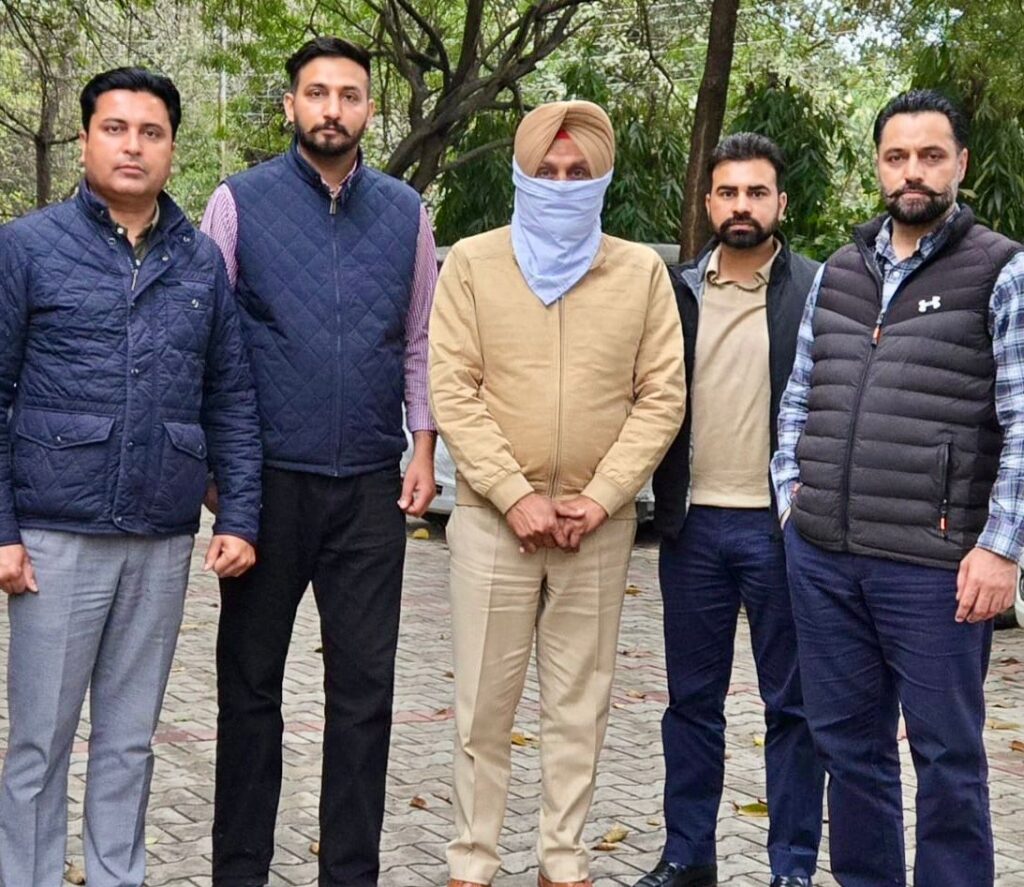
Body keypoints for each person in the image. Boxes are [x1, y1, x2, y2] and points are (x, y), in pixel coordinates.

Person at [0, 67, 261, 887]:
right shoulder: (27, 246)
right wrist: (3, 530)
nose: (132, 146)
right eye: (115, 129)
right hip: (54, 536)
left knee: (128, 741)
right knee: (38, 741)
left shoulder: (200, 261)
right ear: (85, 139)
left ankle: (120, 875)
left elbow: (231, 395)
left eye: (151, 132)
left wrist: (240, 514)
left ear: (172, 147)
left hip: (159, 536)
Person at [201, 36, 438, 887]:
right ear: (290, 105)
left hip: (372, 488)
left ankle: (350, 873)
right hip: (265, 487)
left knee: (364, 697)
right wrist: (219, 477)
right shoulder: (237, 202)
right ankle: (239, 871)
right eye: (316, 93)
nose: (332, 109)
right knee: (250, 693)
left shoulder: (406, 213)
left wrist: (423, 443)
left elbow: (419, 338)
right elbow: (208, 343)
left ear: (371, 109)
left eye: (349, 94)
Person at [429, 100, 685, 887]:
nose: (563, 184)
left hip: (594, 528)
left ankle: (563, 858)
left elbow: (661, 395)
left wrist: (602, 496)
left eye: (580, 172)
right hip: (493, 523)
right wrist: (513, 494)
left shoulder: (639, 272)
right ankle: (473, 860)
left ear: (602, 178)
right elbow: (453, 387)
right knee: (482, 705)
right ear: (521, 172)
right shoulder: (473, 264)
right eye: (548, 170)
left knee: (580, 704)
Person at [772, 89, 1024, 887]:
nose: (912, 171)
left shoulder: (1003, 270)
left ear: (961, 164)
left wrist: (1001, 547)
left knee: (947, 759)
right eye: (896, 156)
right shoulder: (839, 270)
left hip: (937, 568)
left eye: (930, 155)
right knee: (849, 752)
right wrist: (791, 497)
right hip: (826, 558)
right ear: (878, 165)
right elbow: (800, 392)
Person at [636, 133, 824, 887]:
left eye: (756, 192)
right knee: (691, 703)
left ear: (781, 202)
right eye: (727, 192)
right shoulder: (674, 291)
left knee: (793, 706)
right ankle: (689, 855)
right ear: (708, 201)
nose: (741, 205)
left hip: (781, 528)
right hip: (693, 527)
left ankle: (791, 867)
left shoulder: (818, 289)